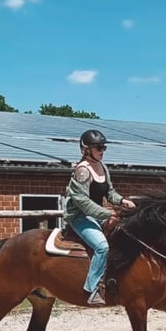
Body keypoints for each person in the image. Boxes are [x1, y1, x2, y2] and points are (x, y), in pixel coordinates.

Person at [63, 129, 136, 305]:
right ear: (86, 149)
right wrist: (108, 213)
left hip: (97, 215)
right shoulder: (83, 171)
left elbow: (109, 192)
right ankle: (91, 289)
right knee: (102, 246)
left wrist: (122, 200)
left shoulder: (102, 167)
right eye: (98, 148)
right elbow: (83, 202)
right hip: (80, 217)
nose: (102, 151)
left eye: (103, 147)